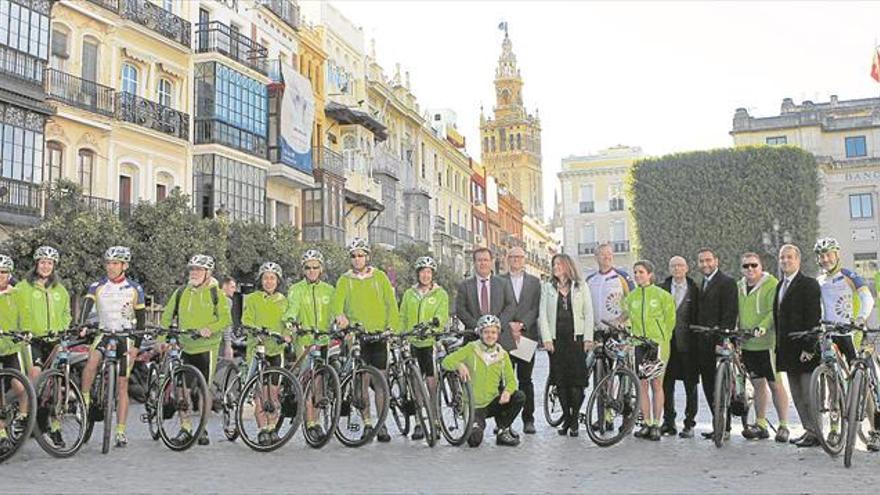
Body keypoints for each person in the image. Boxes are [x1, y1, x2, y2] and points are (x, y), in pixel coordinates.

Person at [332, 238, 399, 443]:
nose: (357, 259)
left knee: (380, 382)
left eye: (361, 255)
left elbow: (390, 303)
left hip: (378, 334)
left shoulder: (379, 277)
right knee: (361, 383)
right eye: (353, 256)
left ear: (367, 256)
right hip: (357, 335)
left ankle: (382, 424)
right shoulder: (345, 279)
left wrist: (392, 328)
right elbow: (337, 304)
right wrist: (340, 317)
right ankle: (367, 422)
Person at [160, 254, 232, 446]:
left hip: (207, 348)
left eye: (199, 270)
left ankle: (202, 428)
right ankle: (186, 428)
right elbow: (167, 317)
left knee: (203, 390)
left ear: (209, 273)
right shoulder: (181, 292)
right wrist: (162, 338)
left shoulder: (217, 294)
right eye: (192, 269)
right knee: (183, 389)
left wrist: (211, 328)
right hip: (185, 345)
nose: (194, 273)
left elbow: (226, 319)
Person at [78, 246, 146, 447]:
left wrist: (137, 346)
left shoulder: (135, 289)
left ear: (124, 266)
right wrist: (82, 325)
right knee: (92, 362)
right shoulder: (97, 285)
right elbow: (87, 306)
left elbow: (141, 320)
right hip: (104, 334)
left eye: (115, 263)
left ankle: (120, 431)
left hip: (126, 337)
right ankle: (85, 400)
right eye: (108, 263)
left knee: (123, 384)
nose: (111, 267)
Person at [813, 237, 877, 449]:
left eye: (829, 254)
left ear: (837, 254)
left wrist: (860, 318)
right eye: (821, 255)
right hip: (830, 332)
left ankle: (875, 429)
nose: (825, 259)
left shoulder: (849, 275)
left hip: (851, 332)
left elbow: (867, 297)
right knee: (832, 381)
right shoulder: (819, 280)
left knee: (863, 383)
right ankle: (834, 428)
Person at [442, 314, 523, 447]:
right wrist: (459, 365)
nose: (490, 336)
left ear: (497, 334)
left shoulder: (502, 354)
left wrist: (508, 391)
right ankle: (475, 425)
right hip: (474, 406)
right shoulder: (471, 348)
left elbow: (511, 380)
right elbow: (446, 361)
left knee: (519, 396)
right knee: (474, 441)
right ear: (480, 333)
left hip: (493, 402)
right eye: (486, 332)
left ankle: (503, 430)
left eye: (493, 332)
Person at [538, 253, 593, 437]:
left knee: (577, 383)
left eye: (559, 264)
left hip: (576, 340)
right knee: (561, 382)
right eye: (554, 264)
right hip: (556, 341)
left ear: (567, 266)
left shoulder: (580, 286)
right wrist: (546, 338)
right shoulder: (548, 287)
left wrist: (588, 338)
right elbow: (543, 315)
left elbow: (588, 313)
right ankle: (566, 416)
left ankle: (574, 417)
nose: (556, 267)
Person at [620, 260, 676, 441]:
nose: (637, 275)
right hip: (639, 345)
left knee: (657, 384)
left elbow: (670, 321)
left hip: (657, 345)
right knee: (642, 385)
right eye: (635, 272)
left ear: (650, 274)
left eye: (641, 272)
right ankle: (646, 422)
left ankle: (656, 425)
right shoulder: (631, 297)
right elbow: (626, 318)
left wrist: (662, 339)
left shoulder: (662, 295)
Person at [737, 252, 790, 443]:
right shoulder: (739, 286)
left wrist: (763, 327)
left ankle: (784, 425)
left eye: (753, 265)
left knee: (775, 384)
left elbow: (772, 311)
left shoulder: (771, 284)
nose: (750, 269)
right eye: (746, 266)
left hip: (767, 343)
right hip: (747, 344)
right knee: (757, 383)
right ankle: (761, 424)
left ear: (761, 266)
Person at [773, 244, 822, 448]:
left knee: (809, 393)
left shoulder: (809, 284)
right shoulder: (780, 286)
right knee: (797, 394)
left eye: (789, 257)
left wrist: (809, 347)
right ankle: (808, 430)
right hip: (787, 349)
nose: (785, 261)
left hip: (805, 349)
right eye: (782, 257)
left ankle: (817, 432)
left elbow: (814, 317)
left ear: (798, 260)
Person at [284, 249, 335, 440]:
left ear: (321, 269)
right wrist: (291, 323)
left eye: (315, 267)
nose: (312, 271)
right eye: (308, 268)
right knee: (307, 381)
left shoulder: (329, 290)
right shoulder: (296, 289)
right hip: (304, 341)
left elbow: (335, 312)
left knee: (319, 383)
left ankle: (317, 421)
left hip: (323, 340)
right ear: (303, 270)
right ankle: (310, 423)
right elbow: (292, 309)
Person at [398, 256, 449, 441]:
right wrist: (399, 333)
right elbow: (402, 316)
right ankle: (419, 422)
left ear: (432, 274)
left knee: (431, 383)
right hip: (413, 342)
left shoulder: (440, 294)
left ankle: (435, 419)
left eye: (429, 272)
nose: (425, 275)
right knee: (415, 383)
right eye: (422, 271)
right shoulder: (409, 294)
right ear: (418, 274)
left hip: (429, 342)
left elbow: (442, 315)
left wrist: (435, 327)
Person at [241, 262, 291, 446]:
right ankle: (262, 429)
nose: (269, 281)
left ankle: (272, 428)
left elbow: (289, 322)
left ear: (278, 281)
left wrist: (287, 334)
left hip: (276, 350)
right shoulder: (253, 299)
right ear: (260, 280)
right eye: (265, 278)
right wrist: (255, 329)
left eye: (272, 278)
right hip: (257, 348)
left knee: (273, 394)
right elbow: (245, 319)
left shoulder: (284, 301)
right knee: (260, 393)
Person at [695, 248, 738, 439]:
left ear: (716, 261)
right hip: (702, 341)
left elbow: (730, 313)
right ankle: (717, 424)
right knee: (708, 385)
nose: (705, 264)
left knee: (721, 385)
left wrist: (723, 339)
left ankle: (725, 426)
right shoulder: (701, 284)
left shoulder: (727, 282)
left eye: (708, 260)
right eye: (702, 261)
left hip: (719, 341)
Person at [499, 246, 542, 435]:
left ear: (524, 259)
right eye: (512, 256)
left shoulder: (534, 282)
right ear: (507, 259)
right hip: (506, 337)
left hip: (525, 336)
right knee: (504, 381)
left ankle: (528, 420)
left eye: (519, 257)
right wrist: (509, 325)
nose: (516, 259)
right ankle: (504, 422)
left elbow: (536, 308)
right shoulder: (498, 281)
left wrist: (522, 324)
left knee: (525, 380)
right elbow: (497, 306)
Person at [658, 256, 700, 438]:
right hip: (667, 344)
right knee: (666, 385)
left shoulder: (696, 289)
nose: (677, 269)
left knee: (691, 386)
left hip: (689, 345)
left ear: (687, 268)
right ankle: (668, 422)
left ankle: (689, 423)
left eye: (680, 265)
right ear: (669, 269)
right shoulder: (661, 289)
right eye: (673, 266)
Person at [18, 246, 72, 383]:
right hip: (32, 339)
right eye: (42, 262)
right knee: (35, 374)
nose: (46, 266)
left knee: (61, 372)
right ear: (36, 264)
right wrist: (24, 329)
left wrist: (63, 328)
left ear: (54, 266)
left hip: (54, 339)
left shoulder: (60, 290)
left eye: (50, 263)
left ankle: (56, 400)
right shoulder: (23, 287)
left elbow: (66, 313)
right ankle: (31, 403)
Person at [455, 248, 516, 340]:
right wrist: (477, 327)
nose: (483, 263)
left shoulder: (503, 284)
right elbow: (460, 310)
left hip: (499, 337)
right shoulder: (465, 285)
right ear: (474, 263)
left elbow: (511, 306)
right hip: (473, 337)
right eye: (479, 260)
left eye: (486, 260)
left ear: (491, 262)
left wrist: (497, 326)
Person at [0, 254, 28, 452]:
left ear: (9, 275)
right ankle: (1, 433)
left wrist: (26, 330)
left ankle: (24, 417)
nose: (0, 276)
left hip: (11, 347)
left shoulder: (16, 293)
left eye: (3, 273)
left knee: (20, 386)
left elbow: (24, 315)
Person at [585, 243, 634, 335]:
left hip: (618, 331)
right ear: (596, 257)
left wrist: (619, 320)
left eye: (609, 253)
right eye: (603, 254)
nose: (607, 257)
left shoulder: (623, 276)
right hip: (596, 332)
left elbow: (634, 303)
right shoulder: (589, 280)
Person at [220, 276, 238, 361]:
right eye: (232, 287)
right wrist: (228, 345)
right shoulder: (226, 300)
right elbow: (225, 324)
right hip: (221, 341)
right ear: (224, 286)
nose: (234, 290)